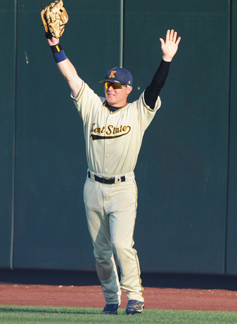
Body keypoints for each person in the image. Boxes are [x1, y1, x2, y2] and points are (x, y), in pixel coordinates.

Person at [47, 29, 180, 315]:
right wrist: (56, 46)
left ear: (129, 89)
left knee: (122, 244)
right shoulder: (92, 107)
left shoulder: (138, 111)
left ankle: (135, 296)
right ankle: (110, 299)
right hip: (93, 187)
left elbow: (155, 89)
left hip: (122, 188)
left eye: (116, 85)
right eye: (108, 84)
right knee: (101, 256)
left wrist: (166, 60)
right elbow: (72, 77)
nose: (110, 88)